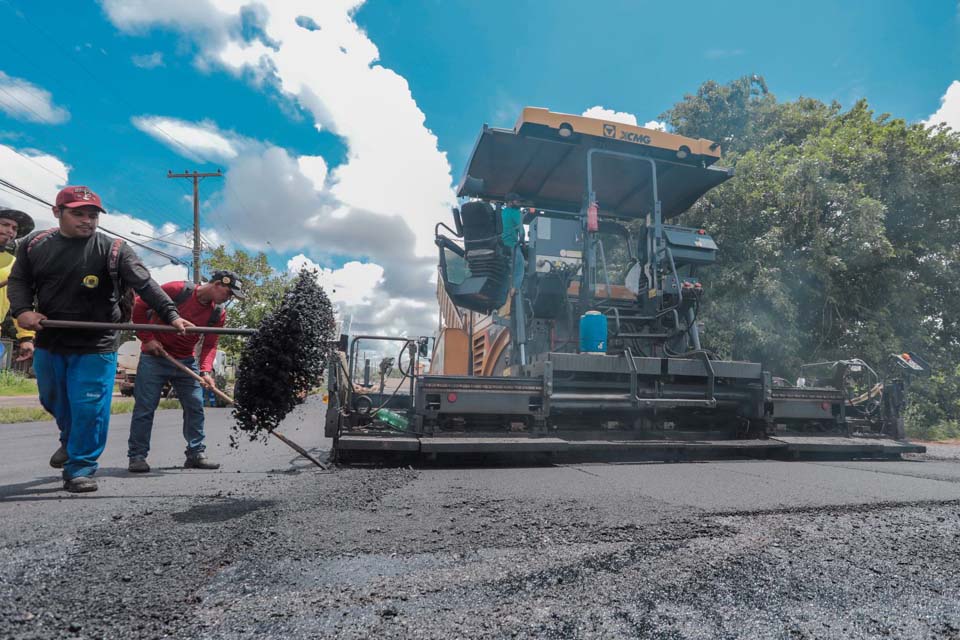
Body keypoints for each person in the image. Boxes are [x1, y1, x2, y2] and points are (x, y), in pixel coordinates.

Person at [8, 185, 192, 493]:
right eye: (77, 214)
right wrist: (23, 311)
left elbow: (146, 285)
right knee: (52, 399)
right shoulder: (33, 245)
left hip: (98, 342)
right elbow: (19, 282)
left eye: (92, 215)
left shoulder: (115, 250)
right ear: (57, 213)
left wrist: (172, 316)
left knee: (89, 407)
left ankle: (80, 466)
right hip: (51, 339)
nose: (87, 221)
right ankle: (70, 440)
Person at [127, 270, 244, 473]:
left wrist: (207, 371)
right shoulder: (177, 290)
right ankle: (137, 456)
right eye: (228, 293)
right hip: (155, 356)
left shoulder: (218, 312)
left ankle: (196, 453)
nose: (229, 298)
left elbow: (210, 344)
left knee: (195, 406)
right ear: (217, 284)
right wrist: (147, 338)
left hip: (186, 360)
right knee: (145, 407)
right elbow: (138, 306)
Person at [0, 209, 38, 362]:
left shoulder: (14, 264)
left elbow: (20, 301)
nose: (10, 231)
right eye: (5, 224)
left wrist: (26, 337)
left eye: (14, 228)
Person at [501, 193, 526, 289]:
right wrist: (522, 242)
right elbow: (522, 232)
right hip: (511, 245)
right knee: (520, 266)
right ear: (510, 203)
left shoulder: (502, 212)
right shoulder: (516, 213)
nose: (519, 203)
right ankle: (515, 289)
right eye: (517, 201)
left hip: (500, 245)